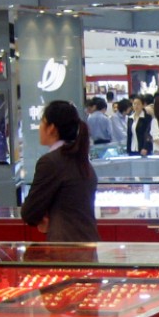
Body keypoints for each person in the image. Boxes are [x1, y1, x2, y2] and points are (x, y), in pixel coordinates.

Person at [21, 100, 99, 242]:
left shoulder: (51, 162)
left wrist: (42, 218)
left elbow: (30, 212)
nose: (39, 127)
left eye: (42, 122)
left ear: (51, 128)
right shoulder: (80, 158)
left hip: (65, 248)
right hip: (88, 243)